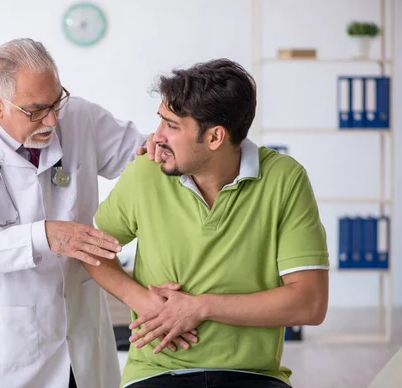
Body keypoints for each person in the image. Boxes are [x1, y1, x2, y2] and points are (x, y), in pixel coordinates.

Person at [0, 38, 166, 388]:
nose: (52, 120)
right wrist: (44, 235)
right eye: (35, 110)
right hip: (5, 337)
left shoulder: (79, 118)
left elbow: (147, 159)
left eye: (56, 102)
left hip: (79, 322)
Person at [88, 59, 330, 388]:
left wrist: (201, 307)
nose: (155, 137)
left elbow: (310, 303)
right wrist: (141, 300)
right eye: (160, 121)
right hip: (156, 372)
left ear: (215, 137)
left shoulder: (284, 180)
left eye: (171, 126)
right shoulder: (146, 173)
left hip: (252, 375)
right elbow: (91, 248)